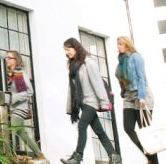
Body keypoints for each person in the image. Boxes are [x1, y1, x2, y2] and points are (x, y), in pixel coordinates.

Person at [61, 38, 122, 164]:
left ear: (76, 47)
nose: (67, 52)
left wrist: (104, 102)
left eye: (68, 49)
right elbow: (70, 88)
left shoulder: (88, 62)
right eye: (65, 50)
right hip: (82, 102)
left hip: (92, 101)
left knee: (82, 126)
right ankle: (114, 156)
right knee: (98, 130)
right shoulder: (73, 66)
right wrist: (70, 107)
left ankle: (78, 157)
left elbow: (97, 83)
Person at [115, 36, 158, 164]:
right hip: (128, 96)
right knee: (128, 127)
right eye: (117, 44)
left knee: (146, 132)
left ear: (127, 44)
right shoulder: (120, 61)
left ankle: (154, 161)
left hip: (141, 94)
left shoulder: (136, 57)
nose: (118, 47)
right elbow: (122, 80)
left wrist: (142, 97)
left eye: (121, 44)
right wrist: (122, 91)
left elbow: (141, 78)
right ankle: (149, 155)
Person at [5, 51, 48, 161]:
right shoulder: (8, 75)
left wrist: (13, 98)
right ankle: (40, 155)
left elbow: (30, 91)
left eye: (9, 58)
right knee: (23, 135)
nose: (6, 59)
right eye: (6, 57)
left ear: (16, 60)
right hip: (12, 108)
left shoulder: (21, 74)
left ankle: (9, 157)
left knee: (10, 131)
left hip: (20, 108)